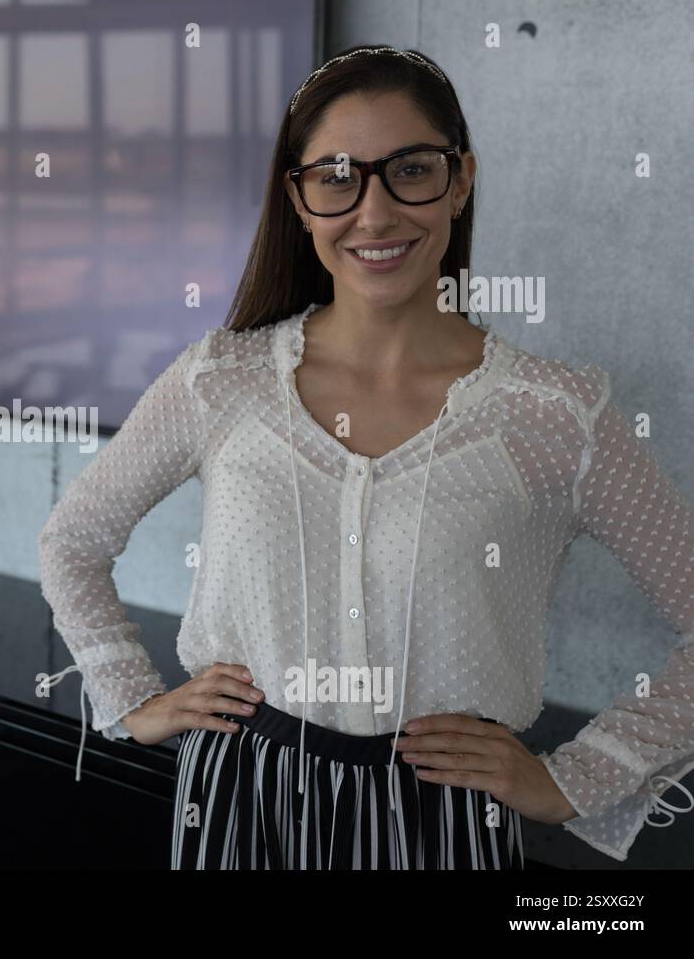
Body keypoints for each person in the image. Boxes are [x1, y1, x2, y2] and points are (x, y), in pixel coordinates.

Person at [37, 45, 694, 869]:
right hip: (241, 796)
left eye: (411, 170)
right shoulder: (221, 380)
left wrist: (576, 779)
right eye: (337, 177)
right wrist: (131, 697)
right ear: (300, 199)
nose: (374, 214)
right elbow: (73, 540)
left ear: (460, 180)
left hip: (444, 818)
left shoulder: (557, 414)